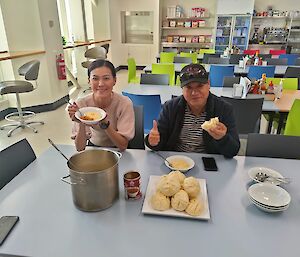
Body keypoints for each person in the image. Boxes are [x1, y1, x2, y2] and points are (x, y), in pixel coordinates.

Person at [145, 63, 240, 158]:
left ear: (208, 84)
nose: (194, 92)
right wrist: (152, 141)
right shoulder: (170, 108)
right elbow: (159, 142)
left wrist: (222, 138)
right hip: (176, 160)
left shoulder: (224, 109)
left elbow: (233, 150)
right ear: (182, 89)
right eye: (189, 87)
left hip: (207, 161)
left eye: (200, 86)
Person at [68, 59, 135, 151]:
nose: (100, 84)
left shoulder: (124, 103)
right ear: (89, 81)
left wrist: (105, 125)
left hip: (118, 148)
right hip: (94, 147)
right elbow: (80, 148)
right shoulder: (82, 104)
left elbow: (123, 146)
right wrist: (81, 122)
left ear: (114, 80)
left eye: (106, 78)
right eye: (95, 78)